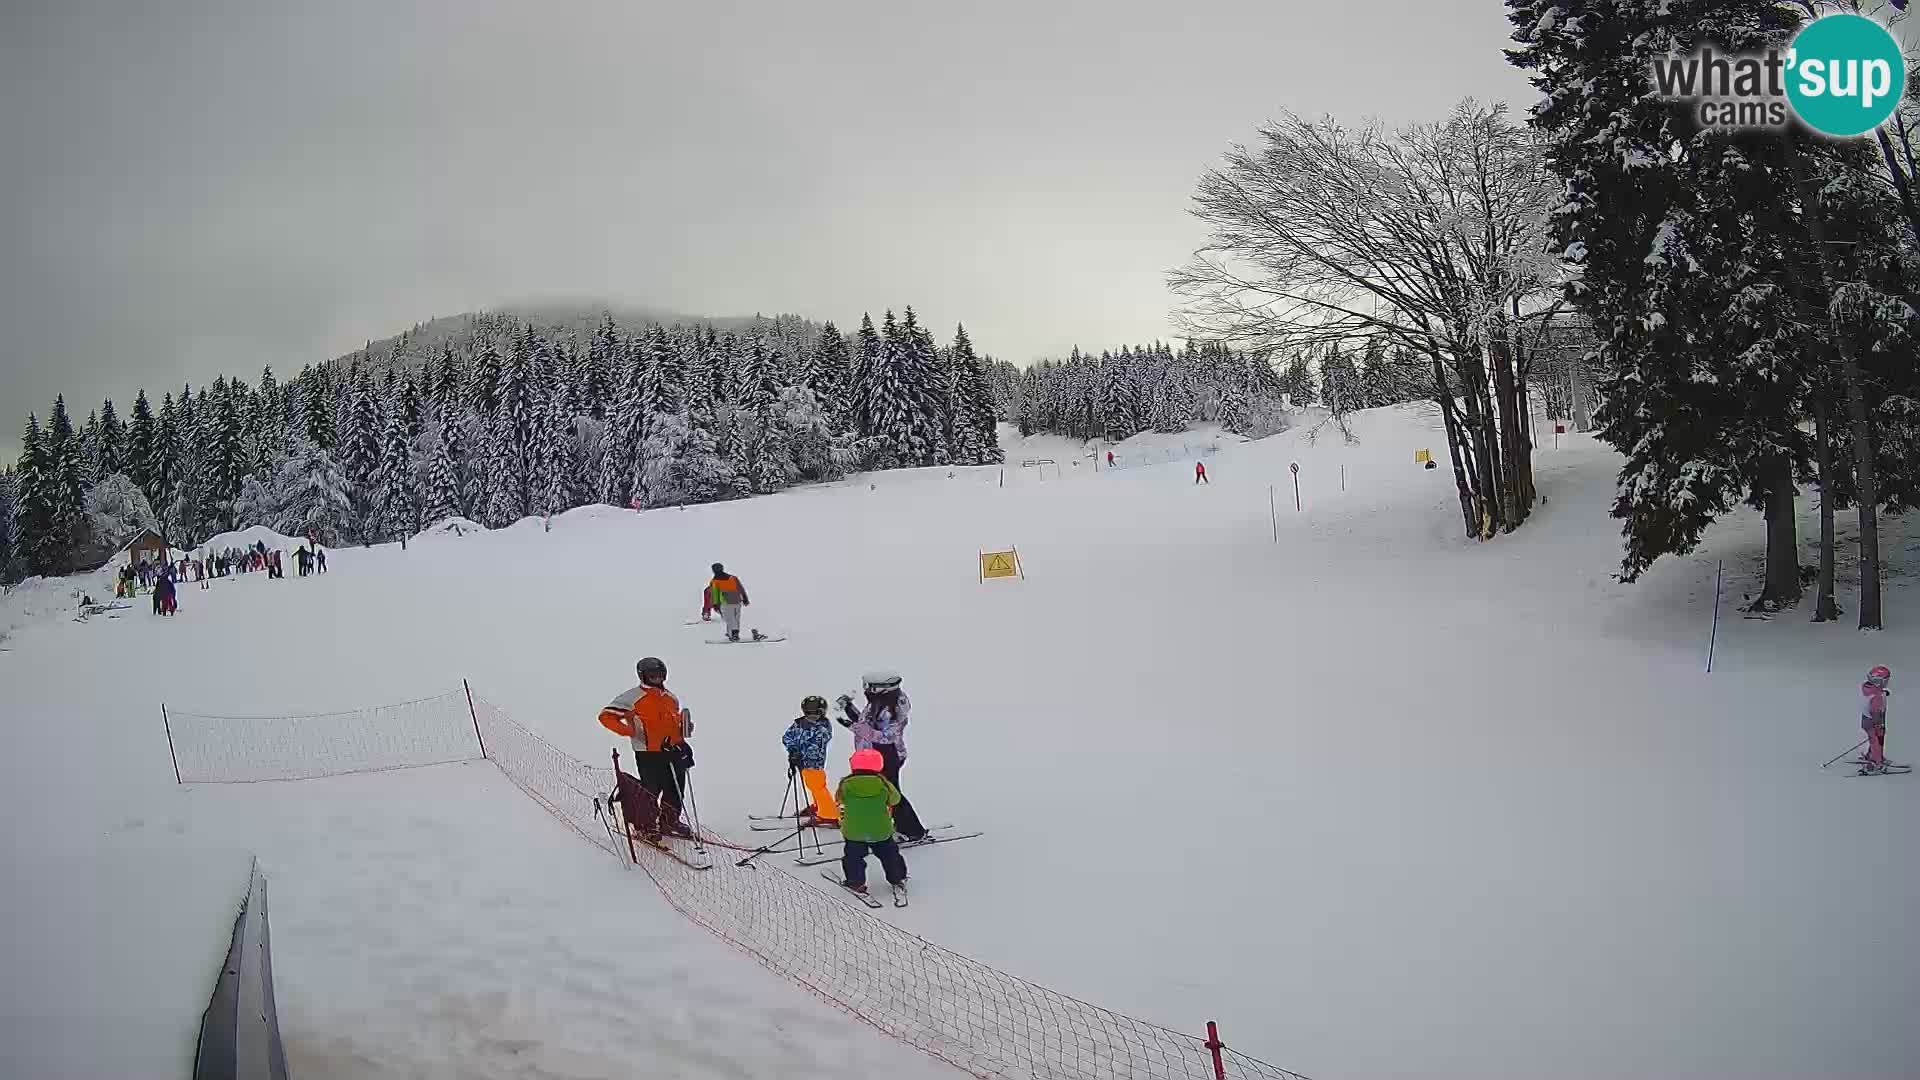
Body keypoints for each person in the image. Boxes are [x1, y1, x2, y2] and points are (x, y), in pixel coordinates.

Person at [598, 656, 696, 839]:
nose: (656, 678)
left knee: (675, 789)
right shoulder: (632, 697)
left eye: (659, 674)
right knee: (650, 790)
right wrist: (628, 731)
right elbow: (606, 716)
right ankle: (645, 826)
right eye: (652, 675)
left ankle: (669, 821)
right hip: (649, 753)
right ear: (642, 676)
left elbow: (671, 722)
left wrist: (683, 728)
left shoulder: (670, 698)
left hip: (673, 750)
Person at [836, 670, 927, 841]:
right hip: (873, 756)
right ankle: (897, 825)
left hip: (888, 755)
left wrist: (854, 727)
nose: (866, 690)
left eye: (869, 686)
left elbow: (886, 737)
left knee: (891, 793)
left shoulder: (892, 710)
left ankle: (913, 830)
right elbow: (866, 722)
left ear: (881, 689)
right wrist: (849, 709)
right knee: (886, 791)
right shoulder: (880, 703)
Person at [833, 748, 909, 897]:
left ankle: (855, 882)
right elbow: (895, 799)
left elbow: (839, 799)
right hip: (881, 830)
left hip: (854, 831)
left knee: (853, 858)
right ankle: (898, 877)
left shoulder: (846, 784)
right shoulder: (883, 784)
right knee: (890, 856)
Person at [783, 695, 840, 827]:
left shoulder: (823, 727)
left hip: (814, 763)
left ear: (822, 712)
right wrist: (793, 750)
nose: (812, 717)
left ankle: (828, 814)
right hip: (802, 763)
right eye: (809, 714)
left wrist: (801, 754)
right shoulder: (798, 724)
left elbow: (817, 744)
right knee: (813, 785)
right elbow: (787, 737)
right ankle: (818, 806)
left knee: (818, 787)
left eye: (816, 714)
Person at [702, 562, 751, 641]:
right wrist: (745, 598)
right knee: (735, 618)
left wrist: (715, 604)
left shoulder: (714, 581)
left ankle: (734, 634)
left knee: (729, 619)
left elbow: (715, 594)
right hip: (737, 600)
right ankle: (731, 633)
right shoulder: (733, 578)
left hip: (726, 602)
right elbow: (740, 588)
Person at [1861, 665, 1893, 774]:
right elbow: (1875, 712)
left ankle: (1872, 755)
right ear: (1879, 682)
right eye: (1886, 681)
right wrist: (1878, 725)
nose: (1887, 683)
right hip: (1873, 721)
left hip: (1868, 720)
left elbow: (1875, 694)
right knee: (1877, 742)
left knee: (1875, 740)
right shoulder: (1876, 697)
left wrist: (1883, 693)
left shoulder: (1871, 690)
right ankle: (1875, 763)